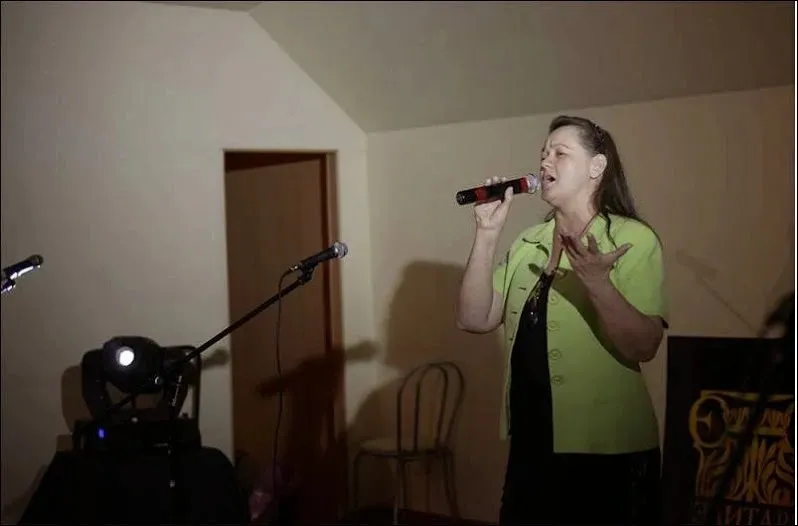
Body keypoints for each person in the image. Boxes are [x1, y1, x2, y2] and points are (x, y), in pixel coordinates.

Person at [456, 115, 667, 525]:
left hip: (608, 451)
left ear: (596, 167)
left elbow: (644, 345)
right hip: (533, 444)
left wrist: (599, 284)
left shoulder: (633, 239)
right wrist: (486, 233)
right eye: (543, 154)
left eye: (560, 153)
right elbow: (473, 318)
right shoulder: (528, 243)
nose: (544, 162)